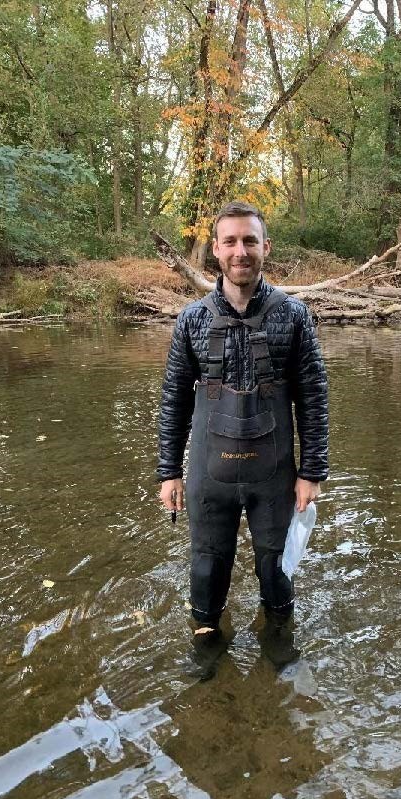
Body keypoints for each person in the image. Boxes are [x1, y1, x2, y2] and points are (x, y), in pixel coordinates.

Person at [157, 201, 328, 639]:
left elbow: (313, 395)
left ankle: (278, 650)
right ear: (215, 249)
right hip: (208, 475)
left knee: (277, 572)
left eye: (249, 241)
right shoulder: (191, 320)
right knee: (207, 568)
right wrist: (168, 473)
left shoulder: (294, 315)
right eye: (230, 241)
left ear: (265, 247)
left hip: (274, 475)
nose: (240, 251)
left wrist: (311, 472)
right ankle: (208, 655)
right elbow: (174, 399)